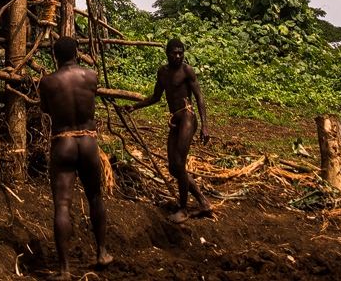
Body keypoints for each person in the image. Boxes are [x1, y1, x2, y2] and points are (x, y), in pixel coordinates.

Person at [39, 35, 112, 277]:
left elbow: (46, 109)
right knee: (95, 196)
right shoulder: (91, 76)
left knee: (62, 205)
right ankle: (101, 253)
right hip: (89, 142)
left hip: (63, 142)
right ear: (77, 52)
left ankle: (64, 269)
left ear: (55, 56)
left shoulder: (48, 82)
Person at [125, 38, 212, 223]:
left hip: (188, 118)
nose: (178, 56)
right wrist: (135, 107)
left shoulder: (187, 70)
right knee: (173, 167)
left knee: (179, 164)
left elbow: (199, 98)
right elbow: (156, 97)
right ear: (167, 53)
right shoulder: (162, 72)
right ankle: (203, 202)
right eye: (174, 53)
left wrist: (204, 126)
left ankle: (183, 209)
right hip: (175, 121)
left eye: (181, 53)